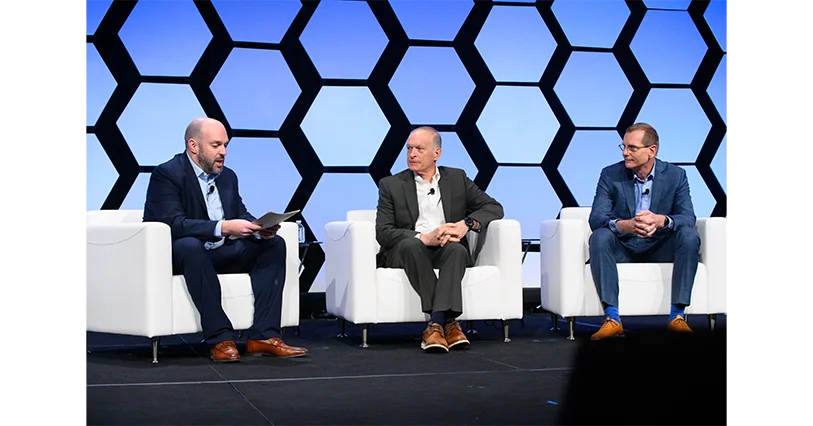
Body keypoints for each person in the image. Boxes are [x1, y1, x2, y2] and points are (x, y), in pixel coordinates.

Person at [143, 117, 308, 361]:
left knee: (273, 245)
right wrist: (223, 227)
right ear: (193, 146)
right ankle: (220, 339)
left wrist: (258, 227)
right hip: (183, 255)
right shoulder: (167, 174)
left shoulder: (228, 176)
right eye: (216, 145)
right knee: (190, 246)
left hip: (219, 251)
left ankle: (263, 336)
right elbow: (173, 223)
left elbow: (239, 212)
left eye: (225, 145)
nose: (223, 152)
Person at [375, 126, 504, 353]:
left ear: (437, 153)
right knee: (412, 244)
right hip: (406, 251)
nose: (412, 154)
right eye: (409, 149)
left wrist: (466, 224)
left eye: (419, 149)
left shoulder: (457, 178)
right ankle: (448, 323)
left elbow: (494, 207)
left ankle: (435, 325)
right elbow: (383, 232)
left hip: (445, 248)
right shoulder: (391, 185)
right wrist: (424, 238)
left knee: (457, 249)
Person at [588, 122, 700, 340]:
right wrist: (624, 225)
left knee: (689, 235)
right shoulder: (610, 174)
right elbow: (596, 218)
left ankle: (677, 317)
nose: (625, 153)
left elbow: (688, 217)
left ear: (652, 151)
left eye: (632, 148)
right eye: (623, 147)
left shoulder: (676, 175)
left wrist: (661, 220)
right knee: (600, 236)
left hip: (660, 246)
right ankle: (612, 319)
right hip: (624, 246)